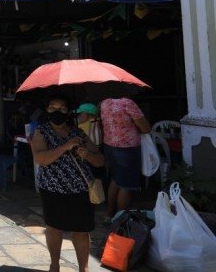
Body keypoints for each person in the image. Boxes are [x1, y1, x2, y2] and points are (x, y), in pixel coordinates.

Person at [31, 97, 105, 272]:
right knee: (54, 228)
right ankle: (54, 264)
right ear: (46, 110)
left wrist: (87, 154)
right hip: (52, 188)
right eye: (52, 108)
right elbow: (40, 159)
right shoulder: (41, 133)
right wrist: (65, 147)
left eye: (62, 109)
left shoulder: (78, 133)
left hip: (80, 189)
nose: (57, 112)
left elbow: (100, 161)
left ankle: (83, 268)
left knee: (81, 230)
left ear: (69, 112)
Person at [99, 96, 151, 221]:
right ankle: (120, 218)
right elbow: (145, 128)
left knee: (115, 180)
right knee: (126, 185)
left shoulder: (104, 103)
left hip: (110, 146)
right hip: (127, 148)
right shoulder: (128, 103)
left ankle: (109, 214)